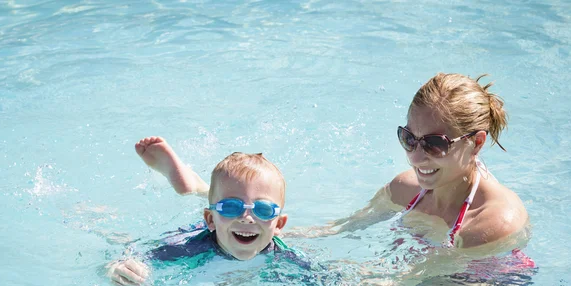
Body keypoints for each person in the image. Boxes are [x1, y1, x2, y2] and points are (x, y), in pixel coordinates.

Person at [148, 74, 530, 250]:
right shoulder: (406, 188)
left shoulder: (494, 222)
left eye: (434, 144)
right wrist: (266, 231)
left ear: (476, 143)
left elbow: (428, 280)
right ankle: (200, 190)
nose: (416, 156)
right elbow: (338, 230)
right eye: (409, 139)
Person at [107, 139, 304, 286]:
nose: (246, 218)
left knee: (310, 233)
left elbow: (327, 280)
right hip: (202, 229)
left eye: (263, 210)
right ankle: (195, 188)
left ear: (279, 224)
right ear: (210, 219)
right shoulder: (190, 247)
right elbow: (133, 255)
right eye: (231, 207)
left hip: (242, 226)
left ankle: (198, 188)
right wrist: (118, 267)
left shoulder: (285, 255)